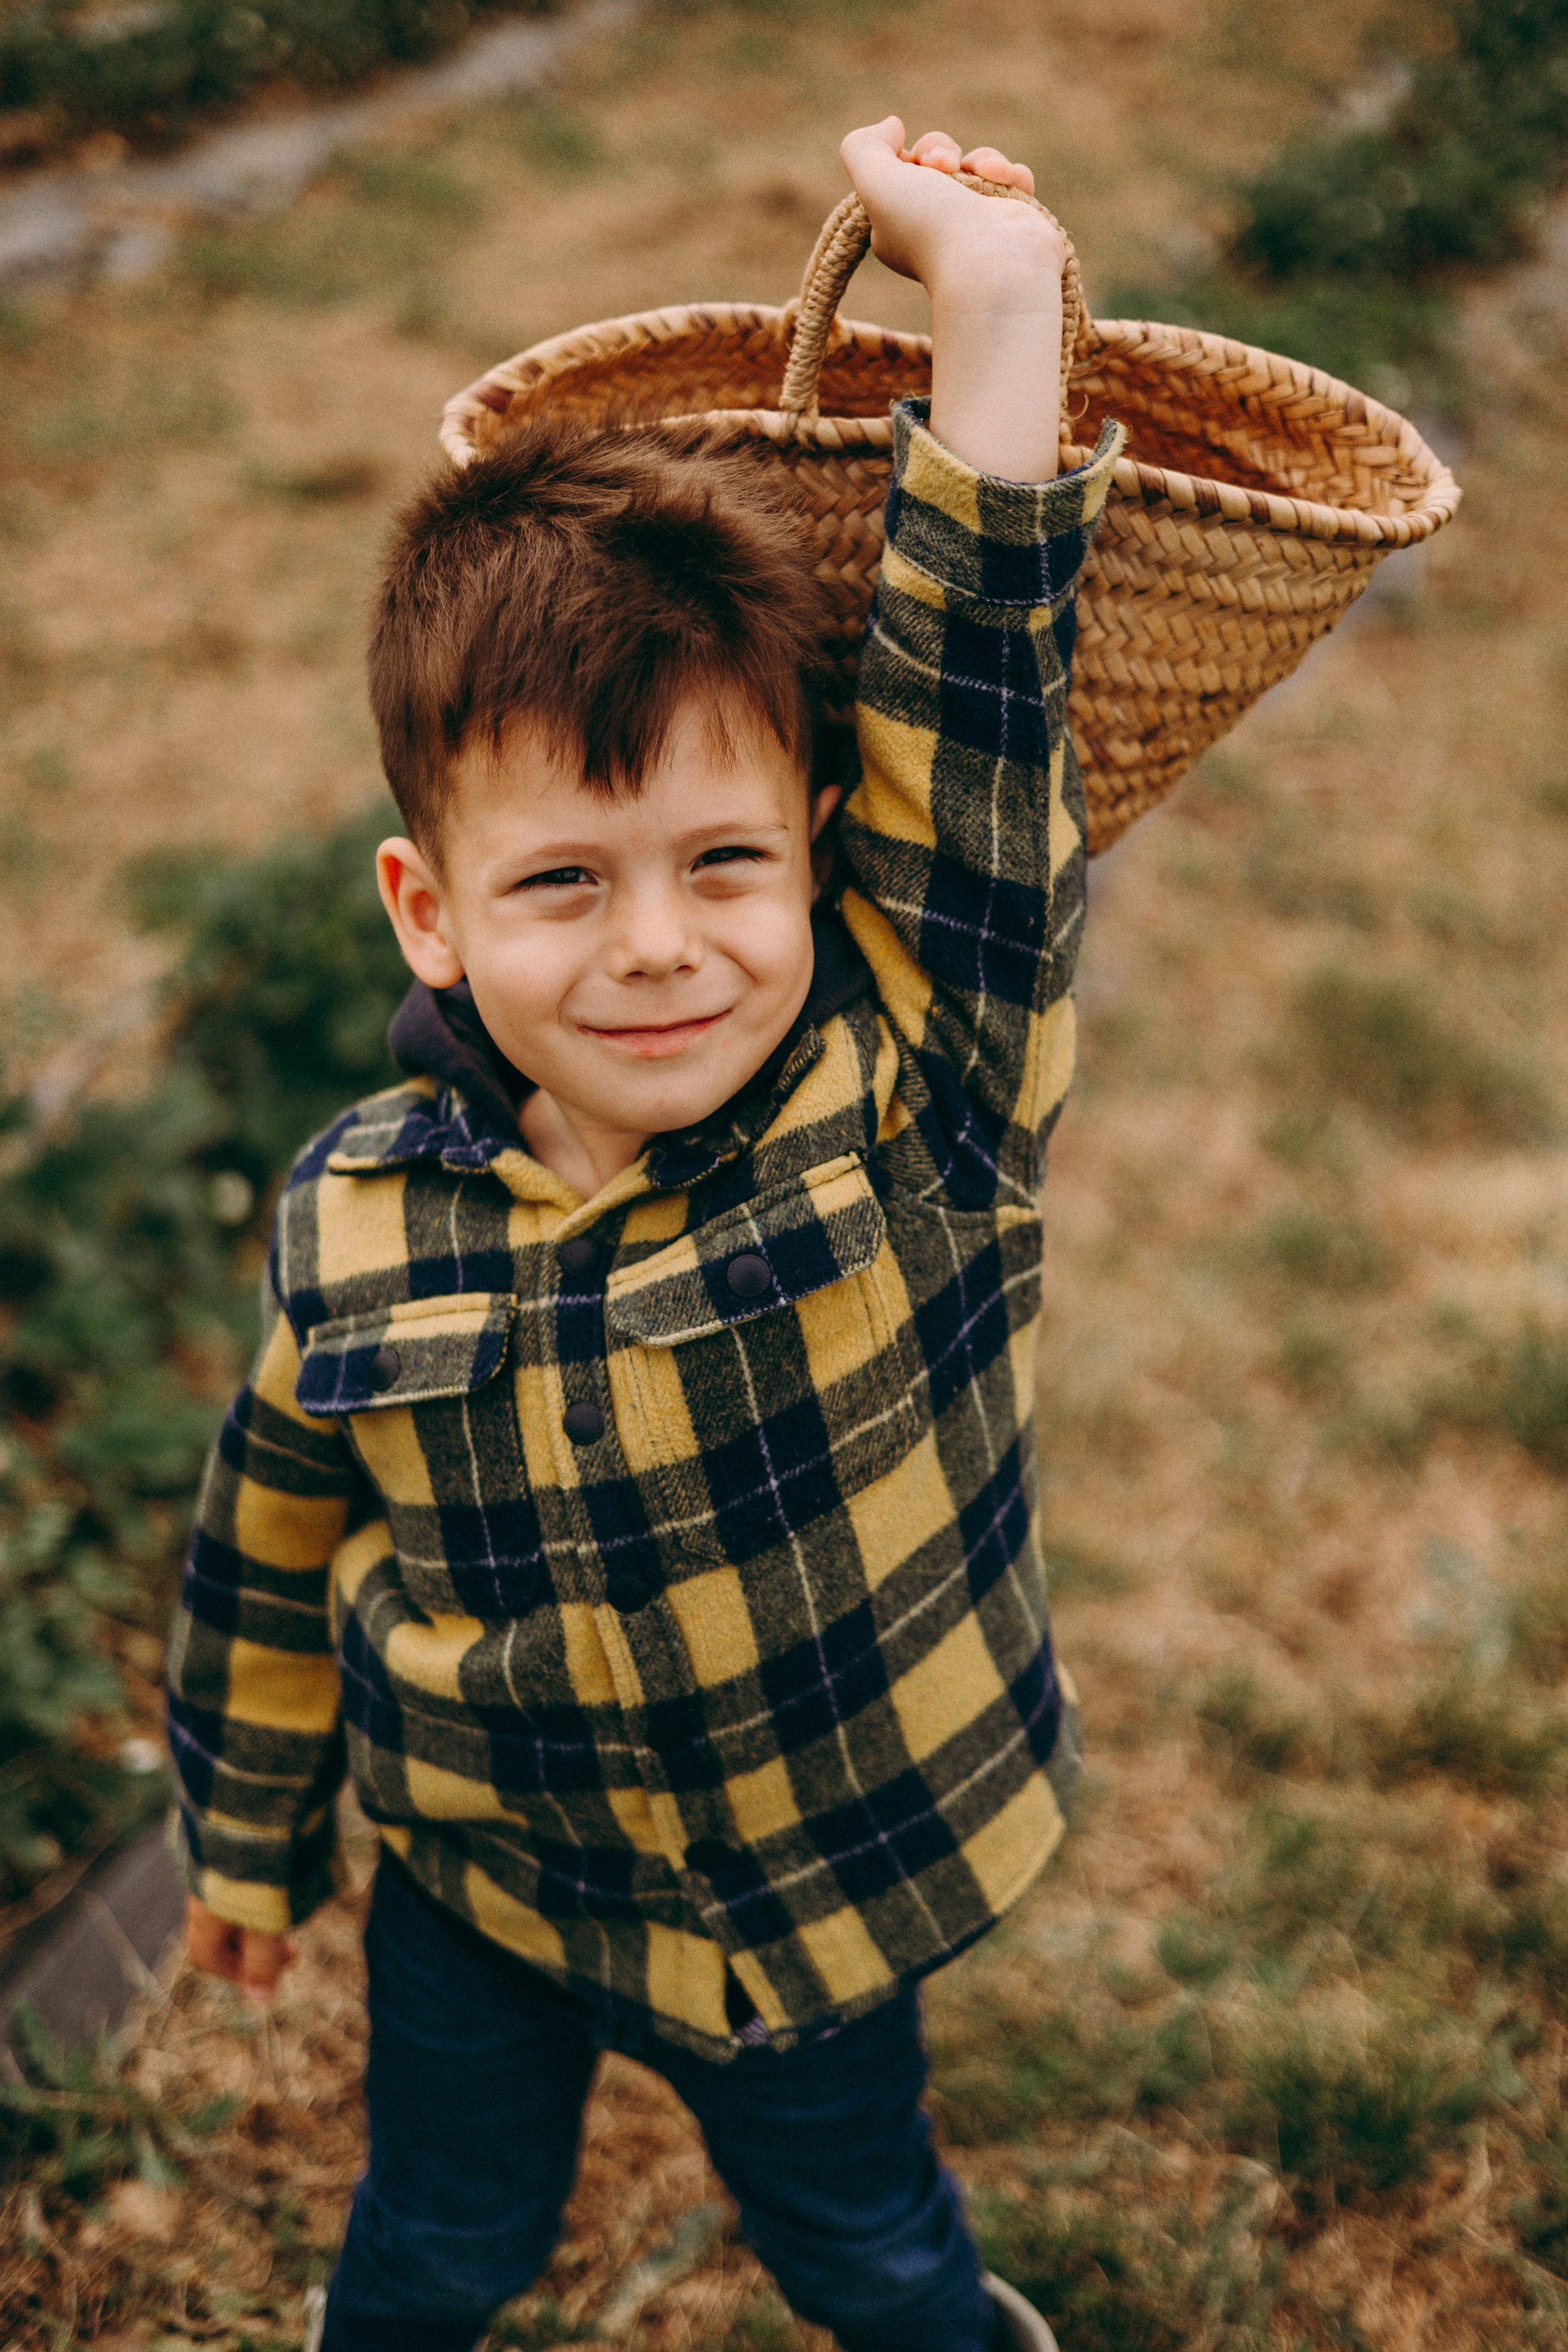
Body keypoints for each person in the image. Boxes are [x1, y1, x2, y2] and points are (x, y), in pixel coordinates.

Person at [166, 111, 1124, 2352]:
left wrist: (987, 293)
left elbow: (980, 696)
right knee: (434, 2248)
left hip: (808, 1908)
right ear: (430, 906)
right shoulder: (358, 1225)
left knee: (870, 2252)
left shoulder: (919, 1103)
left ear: (817, 845)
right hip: (482, 1889)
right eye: (562, 885)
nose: (658, 952)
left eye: (720, 863)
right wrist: (243, 1835)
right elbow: (271, 1535)